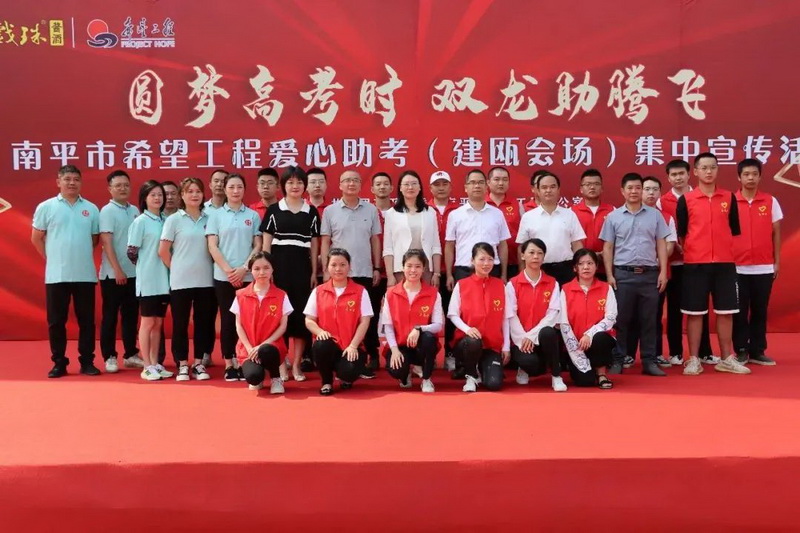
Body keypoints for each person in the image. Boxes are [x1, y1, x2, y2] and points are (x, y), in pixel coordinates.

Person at [676, 152, 749, 375]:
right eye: (704, 168)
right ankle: (694, 359)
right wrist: (697, 250)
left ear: (718, 170)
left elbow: (733, 229)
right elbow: (682, 233)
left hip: (724, 264)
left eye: (713, 167)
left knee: (726, 312)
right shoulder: (686, 200)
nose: (709, 172)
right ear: (695, 171)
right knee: (694, 313)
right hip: (695, 264)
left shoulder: (729, 197)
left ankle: (726, 358)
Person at [31, 165, 101, 378]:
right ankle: (59, 362)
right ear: (58, 182)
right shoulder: (46, 207)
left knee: (87, 321)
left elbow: (94, 239)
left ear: (81, 182)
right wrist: (52, 258)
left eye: (76, 179)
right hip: (57, 275)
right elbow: (36, 237)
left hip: (84, 274)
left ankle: (87, 361)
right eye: (67, 179)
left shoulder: (91, 208)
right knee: (56, 322)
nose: (72, 183)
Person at [600, 173, 670, 377]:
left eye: (638, 187)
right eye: (630, 188)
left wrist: (663, 272)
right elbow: (608, 247)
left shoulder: (655, 215)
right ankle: (618, 360)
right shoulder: (613, 217)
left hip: (649, 275)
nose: (634, 191)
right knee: (621, 320)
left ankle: (649, 361)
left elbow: (661, 244)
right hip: (623, 275)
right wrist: (610, 275)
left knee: (650, 320)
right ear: (622, 191)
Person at [444, 170, 511, 378]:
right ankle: (461, 362)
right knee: (462, 314)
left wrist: (503, 274)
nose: (477, 186)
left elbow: (503, 245)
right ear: (465, 187)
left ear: (486, 186)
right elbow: (449, 245)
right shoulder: (456, 215)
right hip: (464, 270)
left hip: (492, 270)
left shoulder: (496, 214)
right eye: (472, 183)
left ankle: (491, 356)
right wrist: (449, 274)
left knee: (492, 314)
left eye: (481, 182)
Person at [319, 170, 382, 376]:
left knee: (367, 316)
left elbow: (375, 240)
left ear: (361, 185)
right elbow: (325, 241)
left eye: (355, 180)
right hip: (338, 273)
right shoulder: (330, 211)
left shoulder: (371, 209)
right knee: (342, 317)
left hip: (364, 270)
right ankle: (340, 355)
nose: (351, 184)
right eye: (347, 180)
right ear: (340, 185)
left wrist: (377, 267)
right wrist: (325, 270)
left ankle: (371, 354)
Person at [261, 166, 320, 382]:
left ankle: (296, 365)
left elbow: (314, 244)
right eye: (290, 182)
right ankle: (281, 365)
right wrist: (267, 271)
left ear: (305, 186)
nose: (295, 186)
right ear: (283, 186)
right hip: (279, 270)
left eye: (299, 182)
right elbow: (266, 245)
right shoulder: (274, 210)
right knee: (279, 317)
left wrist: (314, 272)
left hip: (302, 271)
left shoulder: (311, 212)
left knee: (300, 317)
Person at [159, 177, 216, 381]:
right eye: (190, 191)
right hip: (180, 282)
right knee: (180, 324)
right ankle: (182, 363)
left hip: (206, 281)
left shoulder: (210, 219)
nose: (194, 195)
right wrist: (176, 268)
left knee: (203, 323)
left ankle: (199, 363)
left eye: (198, 191)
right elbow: (163, 251)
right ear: (182, 195)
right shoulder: (174, 219)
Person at [207, 173, 262, 382]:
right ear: (225, 189)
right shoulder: (216, 215)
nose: (235, 191)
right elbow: (213, 246)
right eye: (231, 187)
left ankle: (246, 359)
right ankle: (229, 362)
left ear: (244, 189)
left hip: (247, 276)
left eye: (239, 187)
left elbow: (257, 245)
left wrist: (244, 268)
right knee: (228, 319)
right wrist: (229, 271)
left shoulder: (252, 215)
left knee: (247, 320)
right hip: (223, 276)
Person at [659, 159, 714, 365]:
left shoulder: (699, 196)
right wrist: (675, 245)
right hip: (674, 264)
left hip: (698, 261)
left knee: (700, 308)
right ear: (668, 178)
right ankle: (676, 352)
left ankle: (705, 352)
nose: (678, 178)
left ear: (689, 174)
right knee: (674, 309)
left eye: (681, 173)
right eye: (674, 175)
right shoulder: (661, 201)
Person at [732, 158, 782, 365]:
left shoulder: (770, 201)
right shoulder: (731, 202)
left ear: (760, 176)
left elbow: (776, 232)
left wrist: (776, 262)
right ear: (739, 177)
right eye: (746, 174)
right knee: (739, 311)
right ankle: (741, 350)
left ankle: (758, 350)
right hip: (737, 267)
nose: (750, 178)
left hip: (764, 266)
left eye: (754, 174)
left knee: (760, 310)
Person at [304, 248, 373, 395]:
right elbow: (309, 320)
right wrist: (320, 332)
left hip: (351, 346)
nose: (338, 269)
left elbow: (365, 321)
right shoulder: (318, 291)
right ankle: (326, 382)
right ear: (327, 267)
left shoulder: (360, 291)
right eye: (334, 265)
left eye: (342, 265)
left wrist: (353, 346)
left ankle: (345, 377)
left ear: (349, 266)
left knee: (348, 372)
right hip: (329, 345)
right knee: (321, 344)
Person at [448, 243, 513, 392]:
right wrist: (467, 329)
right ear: (472, 260)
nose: (486, 263)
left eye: (490, 259)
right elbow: (453, 314)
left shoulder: (500, 285)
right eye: (482, 259)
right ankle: (470, 376)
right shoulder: (462, 285)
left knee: (494, 384)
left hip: (491, 345)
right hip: (467, 342)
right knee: (473, 341)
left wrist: (506, 346)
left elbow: (505, 318)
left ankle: (482, 369)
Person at [126, 180, 172, 381]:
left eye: (160, 195)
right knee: (147, 322)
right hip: (148, 280)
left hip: (165, 279)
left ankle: (155, 363)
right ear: (144, 198)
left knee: (158, 323)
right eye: (153, 195)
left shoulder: (166, 220)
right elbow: (131, 251)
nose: (157, 198)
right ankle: (146, 365)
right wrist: (145, 266)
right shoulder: (140, 221)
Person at [380, 249, 443, 392]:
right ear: (402, 267)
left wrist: (419, 328)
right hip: (400, 345)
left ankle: (426, 378)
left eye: (418, 266)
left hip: (421, 344)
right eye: (409, 266)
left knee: (429, 339)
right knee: (396, 370)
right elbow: (388, 326)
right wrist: (394, 350)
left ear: (424, 268)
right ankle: (405, 374)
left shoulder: (433, 294)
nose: (413, 270)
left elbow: (438, 325)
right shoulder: (391, 294)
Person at [507, 238, 566, 392]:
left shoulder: (552, 283)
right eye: (531, 252)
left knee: (548, 332)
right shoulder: (513, 283)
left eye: (540, 253)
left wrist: (531, 336)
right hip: (521, 339)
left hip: (541, 337)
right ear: (522, 255)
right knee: (532, 364)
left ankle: (556, 376)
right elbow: (511, 315)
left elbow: (553, 314)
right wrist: (523, 338)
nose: (535, 257)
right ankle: (524, 367)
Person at [98, 169, 142, 373]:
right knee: (110, 316)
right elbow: (106, 242)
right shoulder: (107, 211)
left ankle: (131, 354)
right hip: (113, 274)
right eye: (118, 186)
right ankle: (109, 356)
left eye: (125, 185)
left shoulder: (134, 210)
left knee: (131, 316)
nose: (122, 188)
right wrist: (117, 269)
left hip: (134, 273)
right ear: (110, 189)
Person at [231, 252, 292, 394]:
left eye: (266, 268)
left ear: (272, 269)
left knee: (266, 350)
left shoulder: (281, 295)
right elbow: (238, 325)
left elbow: (283, 326)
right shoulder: (241, 295)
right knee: (253, 377)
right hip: (249, 348)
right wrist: (249, 348)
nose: (262, 272)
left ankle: (276, 378)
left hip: (272, 346)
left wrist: (263, 345)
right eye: (257, 269)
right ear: (251, 271)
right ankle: (258, 378)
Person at [558, 249, 616, 389]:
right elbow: (563, 323)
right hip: (575, 344)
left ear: (596, 266)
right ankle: (584, 369)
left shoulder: (606, 288)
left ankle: (601, 373)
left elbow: (611, 317)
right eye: (581, 264)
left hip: (596, 340)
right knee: (585, 382)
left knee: (601, 338)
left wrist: (589, 334)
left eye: (590, 263)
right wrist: (576, 348)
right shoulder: (565, 289)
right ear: (575, 268)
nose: (586, 267)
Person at [516, 172, 585, 285]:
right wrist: (522, 272)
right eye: (544, 187)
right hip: (538, 268)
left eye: (552, 187)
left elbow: (577, 244)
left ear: (558, 190)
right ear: (537, 191)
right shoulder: (528, 217)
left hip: (566, 268)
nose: (548, 190)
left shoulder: (569, 214)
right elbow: (522, 247)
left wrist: (579, 268)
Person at [639, 176, 677, 367]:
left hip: (657, 272)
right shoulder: (629, 214)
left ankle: (656, 353)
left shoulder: (666, 217)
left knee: (654, 315)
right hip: (632, 272)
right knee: (629, 315)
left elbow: (670, 244)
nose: (651, 193)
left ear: (660, 193)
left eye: (655, 189)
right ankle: (627, 354)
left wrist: (656, 261)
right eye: (647, 189)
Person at [383, 170, 442, 286]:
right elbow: (388, 248)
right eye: (406, 184)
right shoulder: (391, 214)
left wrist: (436, 273)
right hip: (401, 269)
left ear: (420, 187)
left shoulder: (430, 212)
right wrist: (390, 275)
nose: (410, 187)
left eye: (414, 183)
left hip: (425, 268)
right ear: (400, 188)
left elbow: (435, 245)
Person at [428, 170, 460, 369]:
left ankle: (450, 353)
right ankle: (427, 354)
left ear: (450, 187)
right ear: (430, 188)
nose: (441, 188)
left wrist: (448, 272)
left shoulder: (458, 211)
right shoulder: (425, 209)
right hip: (428, 270)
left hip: (452, 269)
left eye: (444, 184)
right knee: (426, 313)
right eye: (437, 184)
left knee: (451, 312)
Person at [201, 169, 229, 367]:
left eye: (223, 181)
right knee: (206, 314)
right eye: (216, 181)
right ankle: (205, 352)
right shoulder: (201, 210)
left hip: (228, 273)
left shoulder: (235, 210)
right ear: (210, 185)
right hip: (204, 271)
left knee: (230, 316)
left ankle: (233, 355)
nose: (219, 185)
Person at [369, 171, 394, 370]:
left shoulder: (400, 211)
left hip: (397, 271)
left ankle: (396, 352)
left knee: (397, 314)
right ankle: (372, 353)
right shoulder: (367, 211)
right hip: (372, 270)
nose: (382, 187)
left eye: (386, 183)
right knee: (371, 314)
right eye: (378, 184)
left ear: (392, 188)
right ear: (372, 189)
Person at [571, 169, 614, 280]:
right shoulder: (571, 212)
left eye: (596, 184)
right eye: (588, 184)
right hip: (581, 268)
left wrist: (604, 254)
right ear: (581, 189)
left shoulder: (612, 211)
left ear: (602, 188)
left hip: (606, 268)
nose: (592, 187)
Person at [487, 166, 522, 278]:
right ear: (488, 182)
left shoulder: (517, 205)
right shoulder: (482, 204)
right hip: (487, 263)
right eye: (496, 179)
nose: (501, 183)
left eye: (505, 180)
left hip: (514, 262)